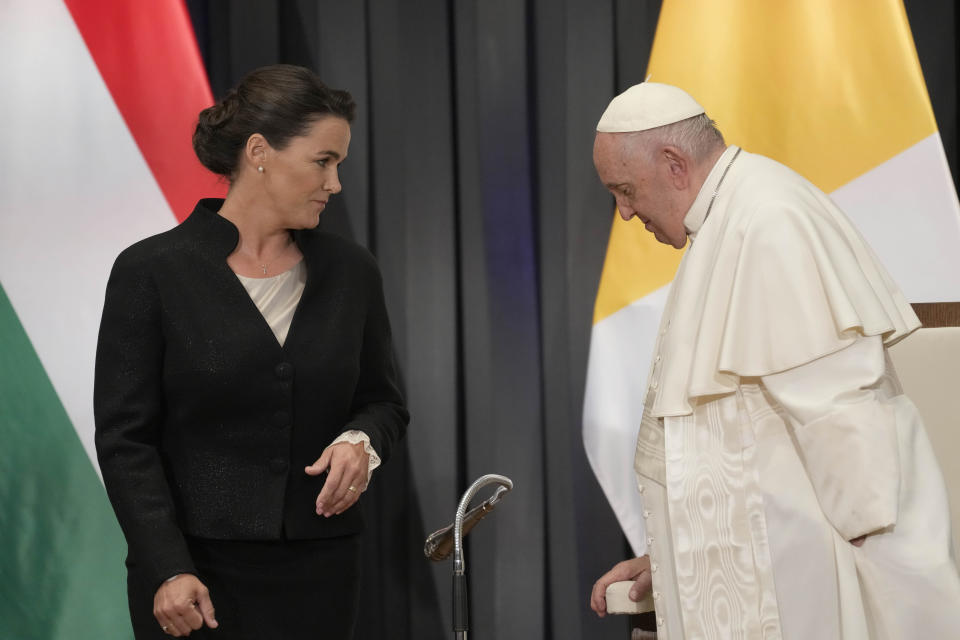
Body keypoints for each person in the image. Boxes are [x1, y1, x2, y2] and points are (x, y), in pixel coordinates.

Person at [587, 82, 960, 638]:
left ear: (673, 164)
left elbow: (847, 437)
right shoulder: (725, 221)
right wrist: (673, 559)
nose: (623, 212)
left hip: (801, 585)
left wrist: (903, 595)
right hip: (769, 566)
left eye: (625, 189)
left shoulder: (768, 221)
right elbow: (738, 446)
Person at [94, 64, 408, 639]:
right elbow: (125, 441)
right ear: (259, 151)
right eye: (323, 160)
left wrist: (360, 441)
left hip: (321, 573)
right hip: (193, 581)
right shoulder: (150, 271)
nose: (335, 183)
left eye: (338, 163)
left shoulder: (352, 272)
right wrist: (168, 567)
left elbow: (383, 403)